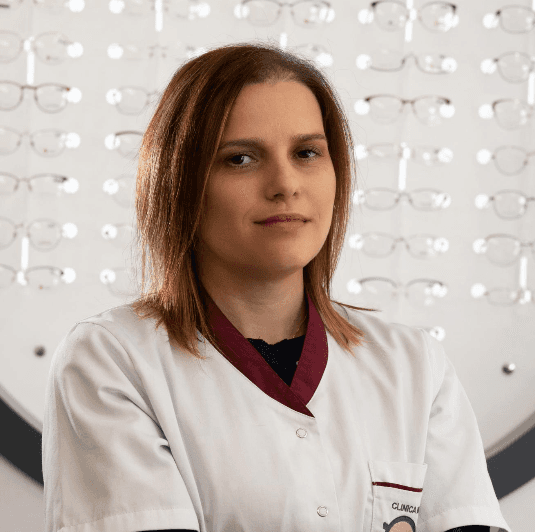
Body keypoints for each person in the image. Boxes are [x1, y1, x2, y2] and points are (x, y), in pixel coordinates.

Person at [42, 41, 511, 532]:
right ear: (179, 182)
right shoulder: (112, 361)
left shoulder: (413, 364)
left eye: (307, 153)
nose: (286, 184)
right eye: (240, 159)